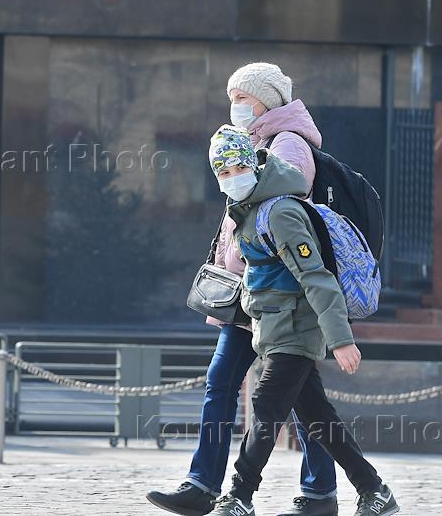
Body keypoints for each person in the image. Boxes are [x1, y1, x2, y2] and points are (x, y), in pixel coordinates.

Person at [148, 63, 338, 516]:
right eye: (232, 97)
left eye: (242, 98)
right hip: (249, 293)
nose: (235, 106)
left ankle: (312, 492)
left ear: (266, 100)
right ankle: (208, 484)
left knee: (292, 396)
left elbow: (283, 213)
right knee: (254, 387)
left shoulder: (289, 144)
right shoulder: (254, 142)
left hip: (277, 295)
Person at [206, 126, 400, 516]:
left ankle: (239, 495)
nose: (232, 178)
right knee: (318, 418)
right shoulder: (249, 212)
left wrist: (340, 339)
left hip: (297, 329)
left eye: (238, 167)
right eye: (223, 172)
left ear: (254, 166)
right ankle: (375, 491)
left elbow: (317, 278)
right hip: (275, 330)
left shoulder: (281, 212)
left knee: (265, 407)